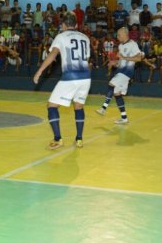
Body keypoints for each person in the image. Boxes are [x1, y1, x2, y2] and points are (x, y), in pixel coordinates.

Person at [33, 12, 90, 150]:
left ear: (63, 25)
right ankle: (79, 139)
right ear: (76, 25)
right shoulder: (85, 37)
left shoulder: (61, 36)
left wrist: (40, 71)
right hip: (86, 77)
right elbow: (87, 59)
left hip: (70, 77)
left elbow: (52, 55)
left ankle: (58, 138)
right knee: (78, 107)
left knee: (51, 106)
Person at [96, 27, 144, 124]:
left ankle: (103, 108)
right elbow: (122, 62)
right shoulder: (121, 46)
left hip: (126, 72)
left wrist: (124, 57)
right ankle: (124, 118)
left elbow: (139, 58)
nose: (117, 37)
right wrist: (115, 63)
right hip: (121, 71)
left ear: (124, 34)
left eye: (118, 35)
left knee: (111, 84)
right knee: (117, 94)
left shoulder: (133, 44)